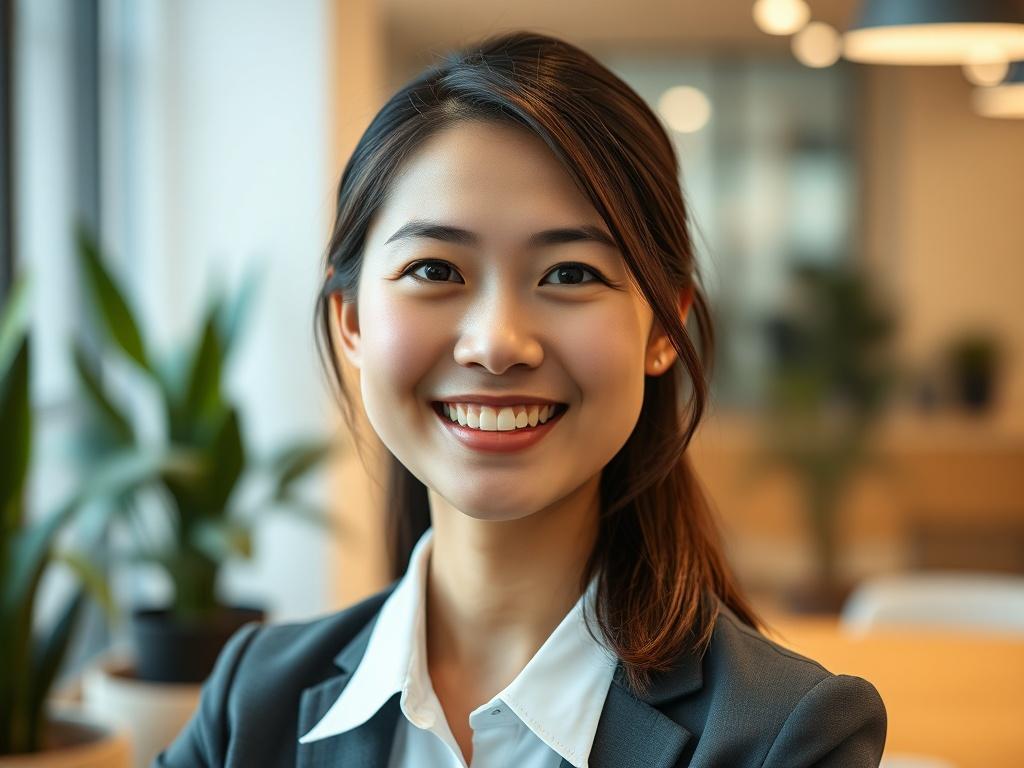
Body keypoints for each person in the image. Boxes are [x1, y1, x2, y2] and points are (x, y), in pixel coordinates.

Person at [156, 30, 887, 768]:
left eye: (570, 274)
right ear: (351, 320)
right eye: (436, 268)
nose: (498, 343)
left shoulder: (788, 739)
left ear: (664, 328)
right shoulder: (250, 703)